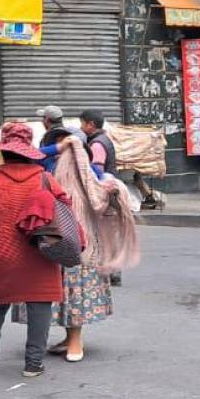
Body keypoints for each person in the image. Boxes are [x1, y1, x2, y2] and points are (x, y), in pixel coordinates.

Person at [18, 124, 139, 363]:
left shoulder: (91, 172)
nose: (68, 151)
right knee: (56, 289)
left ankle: (75, 339)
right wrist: (57, 148)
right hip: (50, 237)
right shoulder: (44, 168)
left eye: (72, 145)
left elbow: (101, 197)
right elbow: (27, 156)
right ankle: (67, 337)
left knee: (74, 288)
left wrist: (110, 188)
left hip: (81, 242)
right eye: (62, 145)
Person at [0, 123, 67, 378]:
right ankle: (33, 363)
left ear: (4, 151)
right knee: (40, 304)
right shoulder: (46, 179)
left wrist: (0, 235)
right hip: (41, 253)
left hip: (2, 254)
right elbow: (66, 212)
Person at [81, 109, 122, 286]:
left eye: (82, 123)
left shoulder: (97, 144)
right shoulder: (104, 139)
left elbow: (97, 171)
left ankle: (111, 270)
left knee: (105, 233)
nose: (81, 127)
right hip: (110, 191)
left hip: (104, 193)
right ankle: (112, 270)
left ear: (90, 124)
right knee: (109, 232)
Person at [37, 105, 83, 174]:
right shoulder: (71, 135)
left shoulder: (50, 137)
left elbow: (38, 155)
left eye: (43, 118)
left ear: (47, 120)